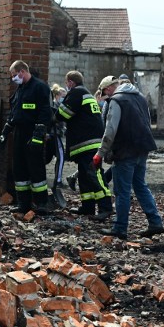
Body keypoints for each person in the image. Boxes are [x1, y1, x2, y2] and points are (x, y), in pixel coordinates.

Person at [95, 79, 164, 240]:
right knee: (140, 185)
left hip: (125, 150)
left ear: (110, 87)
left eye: (105, 92)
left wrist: (100, 153)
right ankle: (155, 222)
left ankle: (120, 228)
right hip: (142, 147)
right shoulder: (139, 97)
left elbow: (110, 130)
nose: (106, 96)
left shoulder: (117, 100)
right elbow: (147, 122)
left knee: (122, 191)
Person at [55, 70, 112, 221]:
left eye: (67, 83)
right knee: (85, 177)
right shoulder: (86, 93)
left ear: (71, 83)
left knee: (95, 175)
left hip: (87, 143)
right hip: (88, 143)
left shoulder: (75, 93)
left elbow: (63, 115)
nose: (66, 86)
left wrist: (55, 110)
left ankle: (106, 208)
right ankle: (87, 207)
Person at [0, 60, 52, 214]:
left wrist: (38, 136)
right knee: (19, 170)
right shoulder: (20, 89)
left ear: (22, 71)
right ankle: (24, 204)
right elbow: (15, 114)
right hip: (19, 134)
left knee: (36, 169)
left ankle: (41, 203)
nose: (14, 78)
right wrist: (4, 133)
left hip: (32, 133)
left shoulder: (40, 87)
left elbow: (45, 113)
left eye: (15, 75)